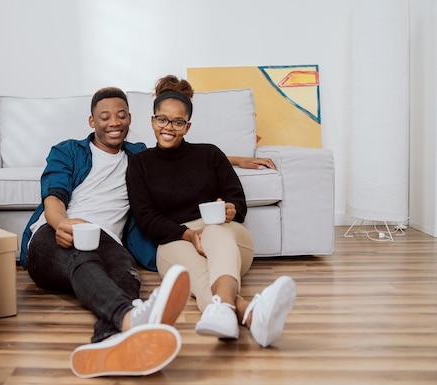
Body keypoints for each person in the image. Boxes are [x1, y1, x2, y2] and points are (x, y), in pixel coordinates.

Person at [20, 86, 191, 378]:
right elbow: (54, 195)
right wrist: (60, 222)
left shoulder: (138, 156)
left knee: (127, 278)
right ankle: (130, 317)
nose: (114, 122)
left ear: (130, 119)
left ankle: (107, 344)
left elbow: (184, 159)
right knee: (82, 257)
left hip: (107, 240)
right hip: (52, 234)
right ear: (92, 121)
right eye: (105, 116)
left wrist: (234, 161)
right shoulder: (68, 150)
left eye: (121, 116)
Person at [126, 75, 296, 348]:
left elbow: (237, 200)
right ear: (152, 121)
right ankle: (250, 314)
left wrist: (230, 209)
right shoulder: (140, 164)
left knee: (214, 231)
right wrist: (187, 235)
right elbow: (146, 218)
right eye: (162, 119)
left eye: (178, 122)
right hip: (174, 241)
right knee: (202, 279)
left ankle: (231, 311)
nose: (169, 127)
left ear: (188, 126)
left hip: (226, 237)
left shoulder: (210, 154)